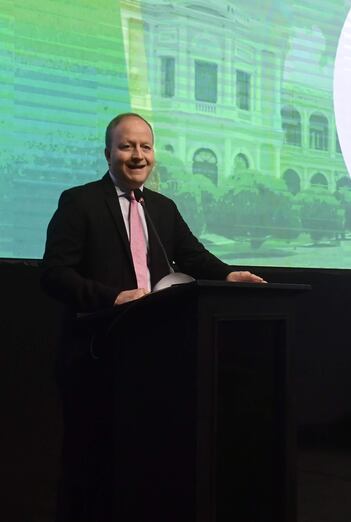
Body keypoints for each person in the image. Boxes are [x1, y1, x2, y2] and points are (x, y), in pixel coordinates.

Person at [40, 113, 266, 521]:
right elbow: (54, 274)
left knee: (145, 463)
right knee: (89, 465)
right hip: (96, 355)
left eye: (145, 146)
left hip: (152, 358)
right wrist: (112, 298)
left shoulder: (162, 207)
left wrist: (228, 275)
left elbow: (193, 256)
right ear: (107, 153)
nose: (137, 155)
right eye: (127, 146)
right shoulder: (80, 202)